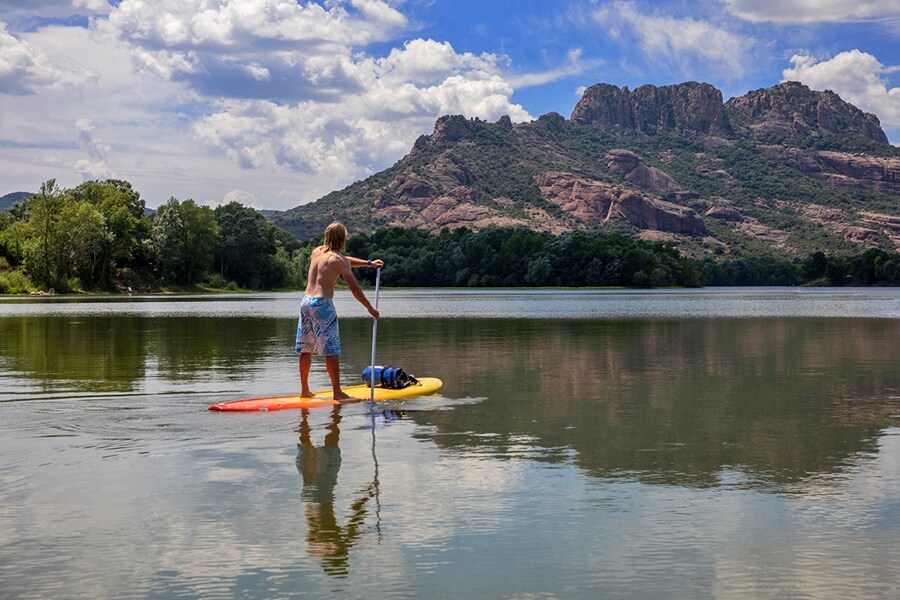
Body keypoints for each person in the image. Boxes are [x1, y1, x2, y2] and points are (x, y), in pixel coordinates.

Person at [297, 222, 383, 400]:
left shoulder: (316, 252)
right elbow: (354, 288)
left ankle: (304, 390)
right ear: (342, 239)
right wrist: (370, 309)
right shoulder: (339, 261)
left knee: (306, 348)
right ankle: (337, 392)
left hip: (305, 301)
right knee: (331, 350)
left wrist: (368, 263)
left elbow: (344, 260)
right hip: (322, 304)